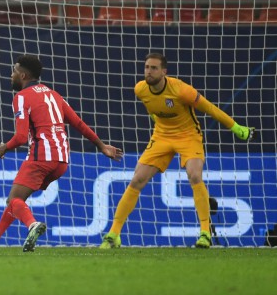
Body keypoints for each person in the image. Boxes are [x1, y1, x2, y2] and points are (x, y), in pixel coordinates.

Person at [99, 52, 255, 249]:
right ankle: (114, 234)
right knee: (137, 179)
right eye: (147, 67)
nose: (149, 71)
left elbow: (210, 109)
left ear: (164, 71)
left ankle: (205, 233)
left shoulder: (181, 90)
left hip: (188, 136)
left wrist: (237, 128)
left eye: (154, 68)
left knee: (194, 175)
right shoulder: (140, 89)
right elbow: (154, 110)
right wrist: (160, 127)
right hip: (162, 136)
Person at [0, 55, 123, 252]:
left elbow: (20, 137)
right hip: (62, 161)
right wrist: (101, 145)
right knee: (17, 200)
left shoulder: (21, 97)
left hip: (41, 156)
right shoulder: (54, 95)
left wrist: (5, 147)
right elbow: (78, 123)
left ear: (23, 75)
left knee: (14, 200)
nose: (11, 75)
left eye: (14, 71)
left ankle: (32, 225)